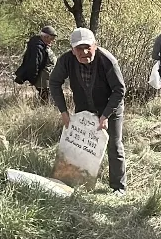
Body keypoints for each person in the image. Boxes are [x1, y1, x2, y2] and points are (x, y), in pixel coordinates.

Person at [49, 27, 128, 194]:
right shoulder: (66, 61)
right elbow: (54, 82)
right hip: (84, 107)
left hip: (110, 106)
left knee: (114, 144)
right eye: (79, 48)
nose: (84, 52)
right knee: (81, 143)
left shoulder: (107, 60)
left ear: (95, 45)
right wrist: (64, 112)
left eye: (88, 47)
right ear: (72, 50)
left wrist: (105, 115)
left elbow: (119, 90)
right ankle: (79, 180)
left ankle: (118, 187)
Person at [15, 26, 58, 103]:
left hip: (46, 79)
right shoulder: (37, 47)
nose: (52, 41)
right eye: (51, 39)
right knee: (46, 100)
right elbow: (34, 65)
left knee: (47, 99)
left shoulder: (42, 46)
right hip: (43, 81)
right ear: (45, 37)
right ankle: (43, 113)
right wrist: (33, 79)